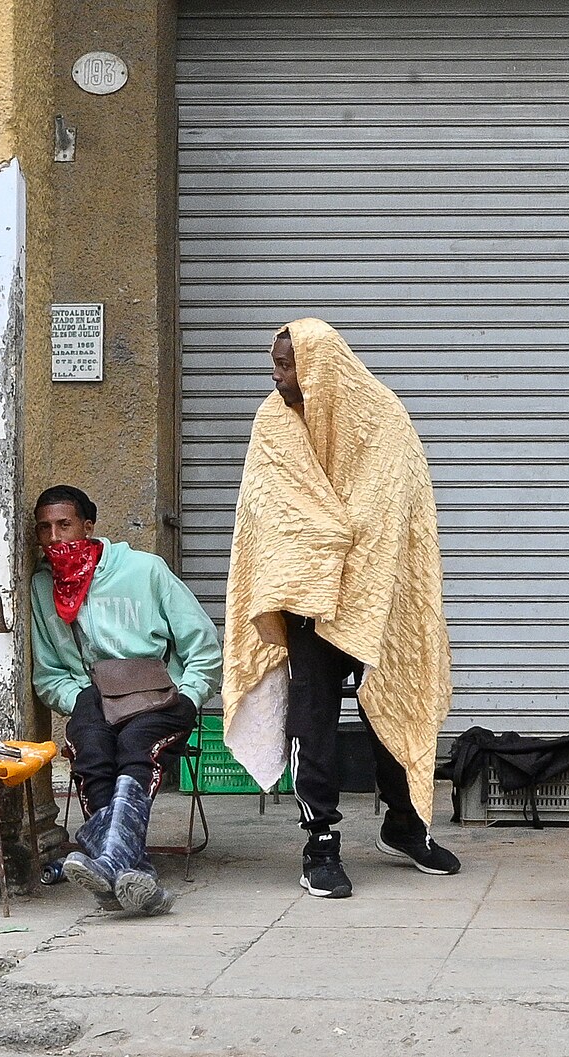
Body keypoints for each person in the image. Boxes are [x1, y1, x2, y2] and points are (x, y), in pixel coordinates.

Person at [220, 318, 460, 900]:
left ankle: (406, 825)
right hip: (308, 599)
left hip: (382, 595)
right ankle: (320, 842)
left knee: (395, 704)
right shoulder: (272, 422)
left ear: (319, 368)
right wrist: (326, 545)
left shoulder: (383, 419)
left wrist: (340, 545)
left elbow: (395, 510)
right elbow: (272, 509)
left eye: (287, 366)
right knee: (312, 718)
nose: (277, 378)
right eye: (275, 366)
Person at [28, 485, 223, 916]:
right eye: (45, 528)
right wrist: (83, 698)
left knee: (135, 744)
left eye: (65, 525)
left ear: (88, 526)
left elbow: (203, 643)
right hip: (94, 695)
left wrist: (190, 695)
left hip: (160, 693)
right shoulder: (42, 586)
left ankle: (109, 861)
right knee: (91, 749)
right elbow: (48, 675)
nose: (55, 537)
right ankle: (132, 871)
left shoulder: (145, 569)